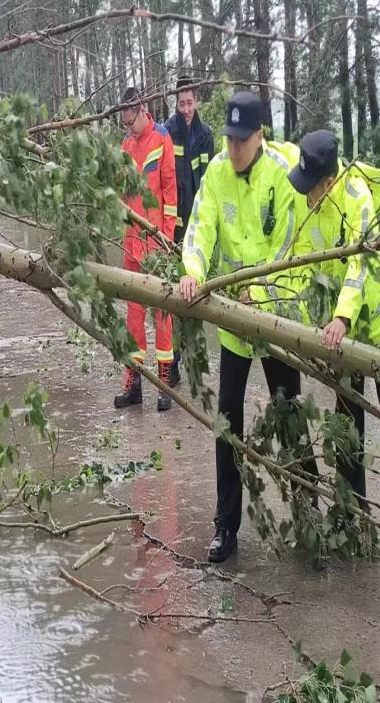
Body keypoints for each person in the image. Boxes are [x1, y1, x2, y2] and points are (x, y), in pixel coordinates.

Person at [178, 90, 318, 562]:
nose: (234, 148)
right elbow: (201, 226)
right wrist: (193, 271)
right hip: (234, 325)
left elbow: (292, 247)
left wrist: (261, 292)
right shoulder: (217, 172)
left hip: (274, 316)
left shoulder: (282, 172)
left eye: (242, 140)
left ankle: (308, 510)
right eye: (229, 139)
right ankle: (226, 526)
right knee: (227, 421)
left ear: (260, 135)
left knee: (288, 414)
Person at [287, 129, 380, 550]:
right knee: (347, 430)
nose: (307, 195)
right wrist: (310, 324)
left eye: (313, 188)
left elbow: (359, 265)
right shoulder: (310, 204)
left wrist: (342, 317)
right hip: (337, 339)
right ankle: (354, 519)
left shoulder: (357, 197)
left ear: (329, 181)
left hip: (378, 333)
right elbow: (307, 268)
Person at [116, 86, 178, 411]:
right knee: (134, 314)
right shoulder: (126, 144)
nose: (129, 127)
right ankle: (134, 382)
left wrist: (167, 237)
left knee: (162, 312)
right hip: (131, 241)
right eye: (124, 123)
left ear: (141, 108)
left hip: (156, 242)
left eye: (131, 120)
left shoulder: (161, 138)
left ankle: (164, 381)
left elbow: (170, 190)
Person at [163, 78, 214, 388]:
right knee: (174, 296)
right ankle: (173, 362)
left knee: (196, 295)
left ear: (196, 102)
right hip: (175, 227)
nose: (185, 109)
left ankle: (195, 360)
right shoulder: (168, 132)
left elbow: (210, 182)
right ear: (176, 104)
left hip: (200, 226)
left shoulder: (206, 135)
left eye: (189, 103)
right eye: (181, 103)